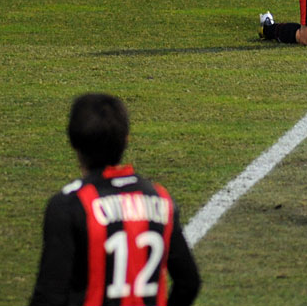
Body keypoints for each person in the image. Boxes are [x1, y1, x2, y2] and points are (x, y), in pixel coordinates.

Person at [30, 93, 201, 305]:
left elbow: (49, 295)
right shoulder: (160, 199)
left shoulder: (69, 205)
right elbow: (189, 282)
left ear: (73, 141)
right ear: (127, 138)